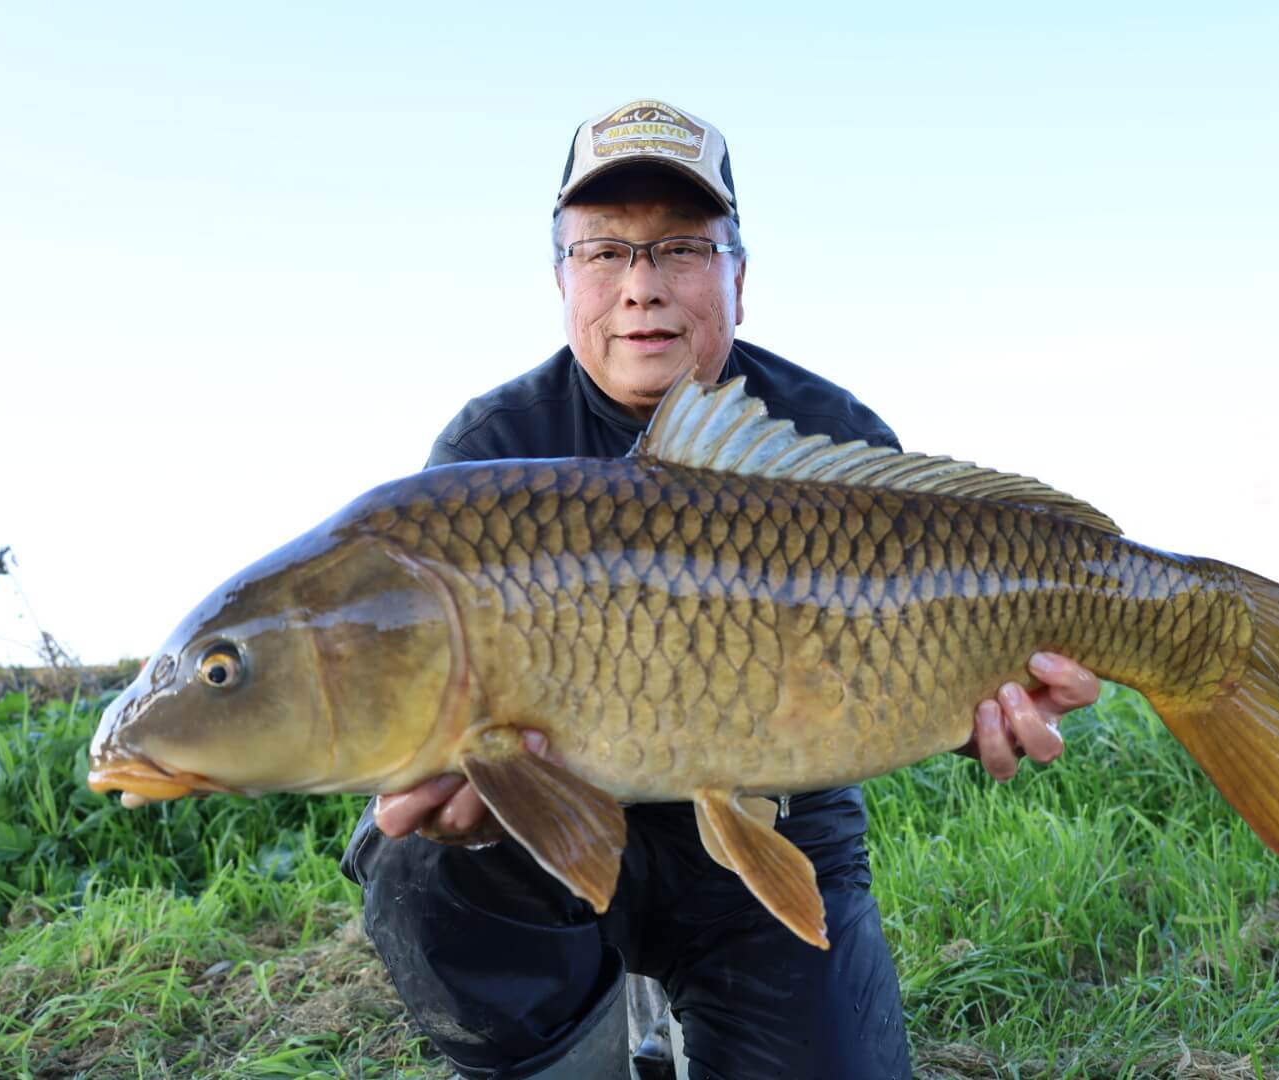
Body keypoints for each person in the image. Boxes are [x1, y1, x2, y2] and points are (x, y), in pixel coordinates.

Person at [341, 100, 1102, 1080]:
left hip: (772, 822)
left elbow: (903, 659)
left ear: (740, 271)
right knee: (417, 854)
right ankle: (578, 1051)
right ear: (561, 277)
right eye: (605, 252)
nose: (641, 289)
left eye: (683, 250)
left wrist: (971, 703)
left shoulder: (831, 437)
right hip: (555, 833)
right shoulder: (487, 456)